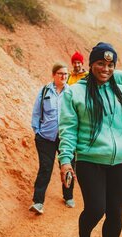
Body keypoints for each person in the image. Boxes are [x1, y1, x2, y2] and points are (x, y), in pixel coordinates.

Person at [58, 42, 122, 237]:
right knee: (95, 210)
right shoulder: (74, 93)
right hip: (90, 160)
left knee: (115, 215)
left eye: (110, 64)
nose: (106, 69)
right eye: (100, 63)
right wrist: (66, 161)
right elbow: (67, 129)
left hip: (120, 163)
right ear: (91, 64)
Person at [29, 62, 74, 214]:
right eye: (60, 73)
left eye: (66, 74)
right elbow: (36, 112)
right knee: (45, 168)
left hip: (65, 138)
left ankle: (68, 196)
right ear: (54, 75)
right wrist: (37, 131)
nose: (64, 76)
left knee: (68, 166)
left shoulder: (71, 93)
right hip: (46, 137)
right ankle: (38, 201)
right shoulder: (44, 91)